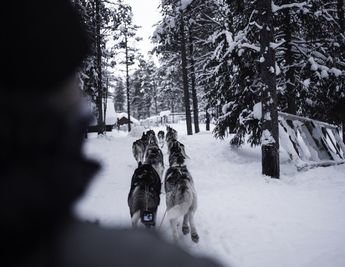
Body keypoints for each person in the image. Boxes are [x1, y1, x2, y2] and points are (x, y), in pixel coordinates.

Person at [0, 1, 223, 267]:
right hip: (145, 204)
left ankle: (143, 221)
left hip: (138, 192)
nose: (78, 101)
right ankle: (147, 224)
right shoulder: (119, 254)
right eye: (71, 83)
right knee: (148, 210)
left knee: (142, 208)